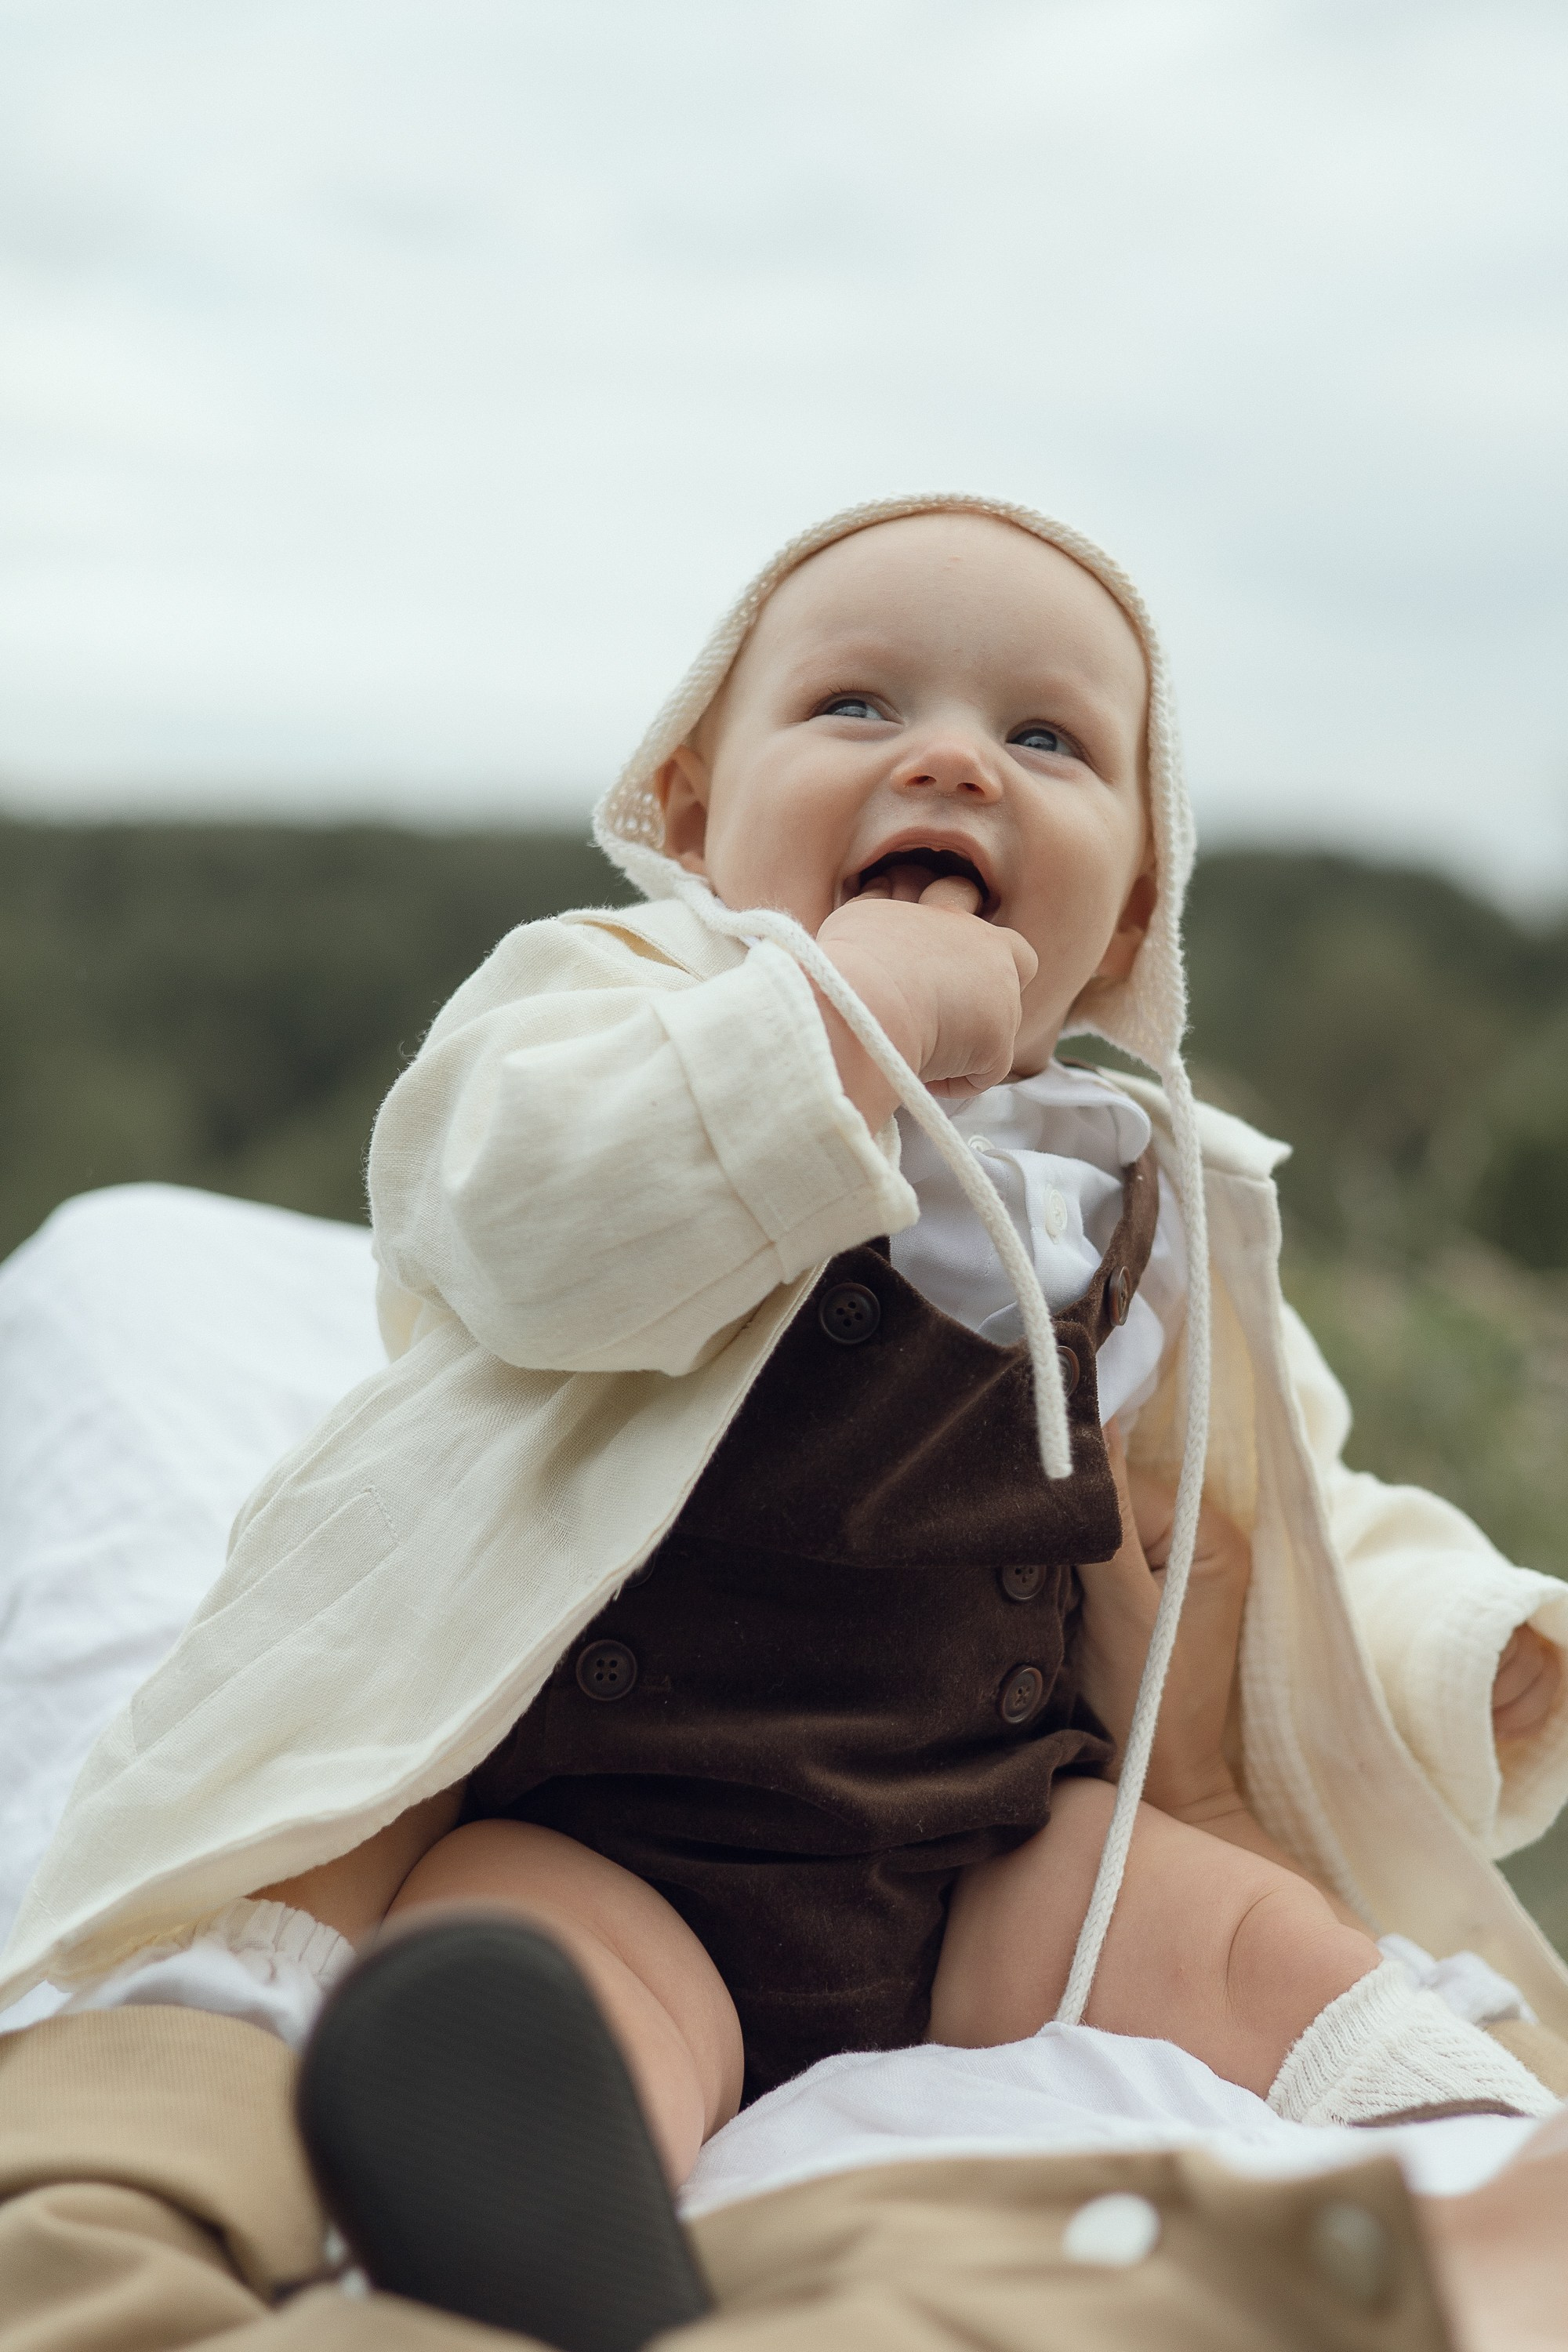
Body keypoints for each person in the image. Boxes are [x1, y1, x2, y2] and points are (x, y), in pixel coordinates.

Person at [1, 497, 1566, 2351]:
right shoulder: (606, 1022)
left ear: (1135, 900)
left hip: (988, 1847)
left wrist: (1464, 1647)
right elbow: (515, 1226)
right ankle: (538, 2222)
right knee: (526, 1980)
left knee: (1244, 1942)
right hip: (620, 1824)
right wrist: (823, 1031)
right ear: (684, 807)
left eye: (1047, 740)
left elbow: (1283, 1501)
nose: (950, 758)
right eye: (852, 704)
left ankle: (1476, 2168)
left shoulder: (1140, 1198)